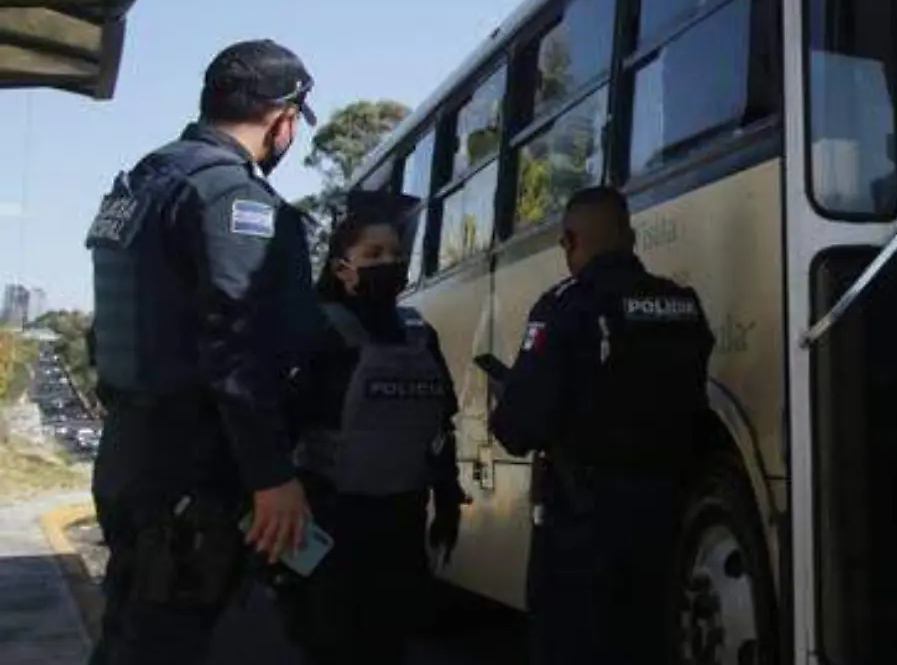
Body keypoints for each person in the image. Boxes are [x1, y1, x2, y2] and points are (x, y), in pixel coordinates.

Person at [83, 39, 324, 665]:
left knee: (134, 629)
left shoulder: (145, 180)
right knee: (174, 639)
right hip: (196, 465)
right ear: (283, 118)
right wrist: (272, 475)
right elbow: (235, 346)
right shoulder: (230, 197)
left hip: (134, 452)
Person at [490, 185, 715, 664]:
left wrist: (510, 396)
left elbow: (517, 428)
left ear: (570, 241)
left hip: (582, 525)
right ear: (632, 238)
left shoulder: (564, 306)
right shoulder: (682, 303)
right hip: (664, 514)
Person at [276, 189, 465, 665]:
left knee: (389, 648)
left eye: (397, 254)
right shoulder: (317, 332)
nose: (390, 263)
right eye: (374, 254)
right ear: (343, 268)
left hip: (400, 527)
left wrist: (447, 499)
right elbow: (276, 430)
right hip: (329, 529)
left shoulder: (420, 334)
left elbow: (441, 426)